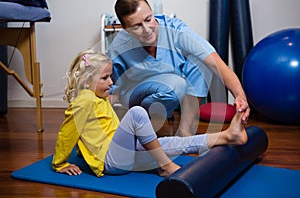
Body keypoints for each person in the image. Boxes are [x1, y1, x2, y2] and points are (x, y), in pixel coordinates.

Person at [52, 49, 248, 177]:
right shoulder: (84, 99)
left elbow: (92, 130)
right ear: (87, 82)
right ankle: (165, 165)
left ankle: (227, 135)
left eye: (110, 76)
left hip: (122, 153)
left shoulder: (97, 98)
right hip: (111, 162)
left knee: (170, 143)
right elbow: (68, 131)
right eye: (105, 78)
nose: (111, 82)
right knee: (137, 113)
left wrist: (83, 149)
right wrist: (59, 163)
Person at [108, 0, 250, 136]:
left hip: (170, 92)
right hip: (137, 97)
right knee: (174, 85)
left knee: (200, 61)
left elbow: (216, 63)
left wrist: (240, 96)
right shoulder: (120, 46)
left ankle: (184, 129)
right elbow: (111, 89)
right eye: (136, 26)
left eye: (148, 19)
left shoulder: (175, 30)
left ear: (152, 13)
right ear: (125, 28)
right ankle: (150, 127)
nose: (146, 29)